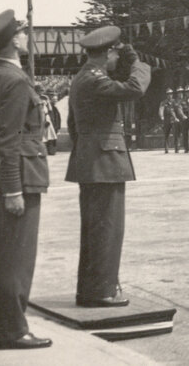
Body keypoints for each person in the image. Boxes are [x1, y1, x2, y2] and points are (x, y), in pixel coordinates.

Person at [0, 10, 53, 350]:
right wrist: (12, 188)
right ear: (13, 39)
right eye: (22, 33)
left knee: (0, 255)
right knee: (15, 258)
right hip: (17, 177)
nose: (26, 37)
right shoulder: (15, 80)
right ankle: (11, 330)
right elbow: (9, 138)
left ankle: (1, 326)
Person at [67, 25, 151, 308]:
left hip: (92, 161)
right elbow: (135, 88)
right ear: (108, 52)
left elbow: (72, 125)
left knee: (95, 228)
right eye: (116, 52)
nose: (119, 58)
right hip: (104, 162)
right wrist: (138, 63)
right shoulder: (95, 80)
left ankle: (91, 288)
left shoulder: (83, 78)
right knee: (107, 228)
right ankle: (101, 291)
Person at [160, 88, 180, 153]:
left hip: (174, 119)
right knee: (166, 134)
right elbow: (161, 109)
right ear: (166, 95)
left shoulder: (175, 102)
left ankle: (176, 148)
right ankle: (166, 149)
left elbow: (178, 109)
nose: (170, 95)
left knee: (176, 134)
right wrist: (162, 116)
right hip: (167, 120)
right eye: (168, 94)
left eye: (171, 94)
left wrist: (178, 117)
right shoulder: (163, 102)